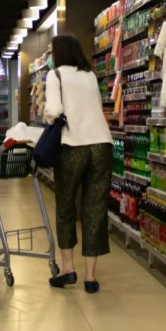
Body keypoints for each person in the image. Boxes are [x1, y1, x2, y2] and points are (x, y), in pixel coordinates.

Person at [43, 34, 113, 293]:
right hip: (102, 145)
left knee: (65, 206)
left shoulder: (55, 75)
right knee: (95, 208)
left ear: (58, 53)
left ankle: (68, 269)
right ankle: (91, 276)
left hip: (73, 146)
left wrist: (47, 117)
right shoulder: (90, 75)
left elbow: (54, 110)